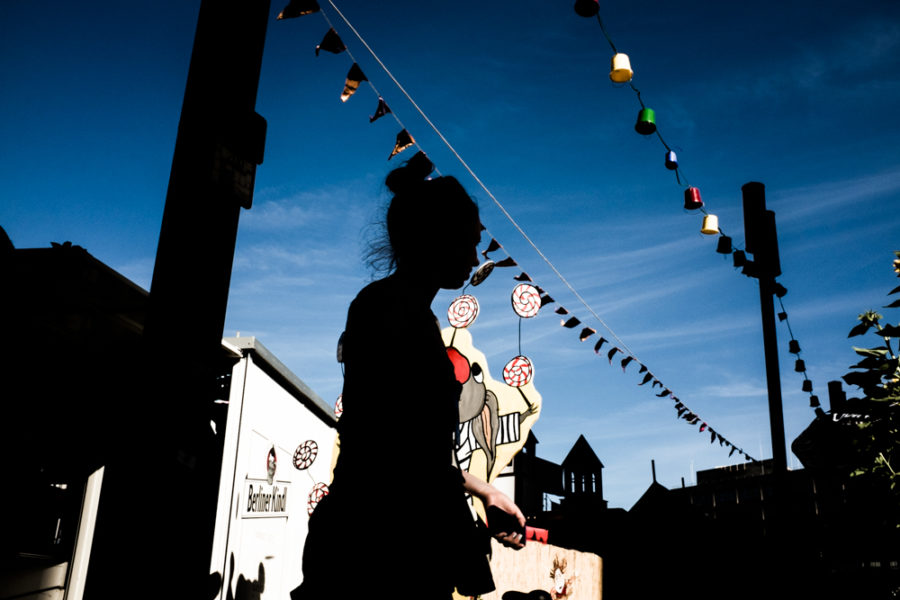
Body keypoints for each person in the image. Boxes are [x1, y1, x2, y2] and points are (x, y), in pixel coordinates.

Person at [292, 153, 525, 600]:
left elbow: (410, 449)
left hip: (366, 541)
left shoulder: (396, 309)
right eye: (470, 240)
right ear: (438, 237)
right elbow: (401, 456)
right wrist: (464, 544)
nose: (478, 255)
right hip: (377, 554)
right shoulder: (395, 313)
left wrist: (483, 491)